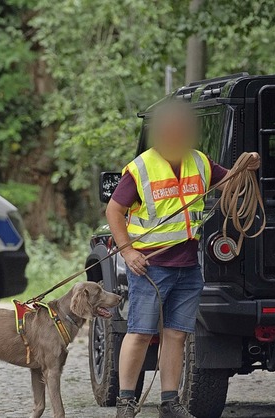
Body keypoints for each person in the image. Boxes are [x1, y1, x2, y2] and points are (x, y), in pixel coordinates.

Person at [106, 101, 260, 418]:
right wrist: (128, 251)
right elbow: (114, 211)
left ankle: (169, 403)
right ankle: (126, 403)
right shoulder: (141, 168)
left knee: (175, 336)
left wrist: (248, 164)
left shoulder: (199, 162)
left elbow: (230, 181)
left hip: (188, 267)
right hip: (149, 267)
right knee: (139, 333)